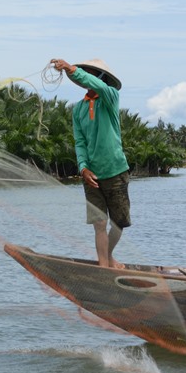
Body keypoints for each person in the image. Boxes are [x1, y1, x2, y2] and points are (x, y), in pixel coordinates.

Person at [51, 58, 131, 269]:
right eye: (85, 74)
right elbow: (80, 142)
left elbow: (98, 86)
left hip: (115, 171)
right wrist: (83, 168)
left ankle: (109, 256)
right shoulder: (79, 110)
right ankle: (103, 266)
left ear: (101, 78)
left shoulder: (111, 97)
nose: (88, 79)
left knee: (118, 224)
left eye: (91, 74)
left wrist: (71, 69)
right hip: (92, 175)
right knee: (99, 224)